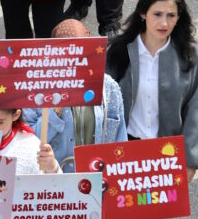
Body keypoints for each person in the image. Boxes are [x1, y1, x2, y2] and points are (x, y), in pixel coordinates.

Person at [106, 0, 198, 178]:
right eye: (157, 14)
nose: (164, 23)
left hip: (167, 155)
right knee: (127, 209)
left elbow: (196, 110)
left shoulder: (191, 55)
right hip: (123, 152)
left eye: (171, 16)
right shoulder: (117, 52)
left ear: (179, 18)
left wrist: (190, 161)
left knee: (163, 210)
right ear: (143, 14)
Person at [24, 19, 128, 172]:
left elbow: (120, 138)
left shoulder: (108, 87)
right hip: (55, 180)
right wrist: (56, 109)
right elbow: (31, 142)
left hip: (98, 178)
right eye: (68, 55)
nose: (76, 62)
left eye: (82, 53)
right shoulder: (39, 88)